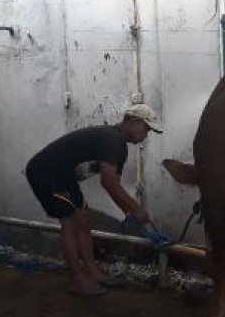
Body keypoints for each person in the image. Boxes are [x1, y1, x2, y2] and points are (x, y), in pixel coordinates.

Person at [25, 104, 162, 295]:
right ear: (133, 122)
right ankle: (77, 278)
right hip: (46, 172)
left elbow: (113, 183)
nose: (146, 134)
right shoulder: (112, 140)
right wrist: (136, 210)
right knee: (70, 221)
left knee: (84, 220)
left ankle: (93, 273)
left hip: (64, 176)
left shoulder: (119, 146)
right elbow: (108, 184)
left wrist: (131, 214)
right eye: (145, 128)